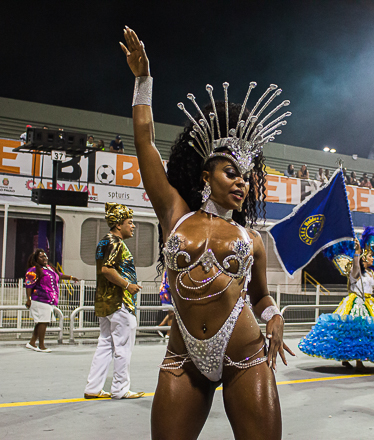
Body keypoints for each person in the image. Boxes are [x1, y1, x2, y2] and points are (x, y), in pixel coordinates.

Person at [121, 26, 293, 439]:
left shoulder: (252, 239)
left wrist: (273, 316)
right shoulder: (175, 214)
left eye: (247, 178)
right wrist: (143, 82)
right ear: (205, 175)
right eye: (231, 173)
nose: (242, 184)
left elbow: (260, 295)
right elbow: (144, 140)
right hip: (183, 359)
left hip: (245, 359)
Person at [299, 228, 374, 370]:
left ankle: (348, 359)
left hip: (369, 302)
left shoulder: (371, 274)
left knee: (364, 333)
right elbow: (355, 266)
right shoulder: (355, 273)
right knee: (355, 332)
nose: (373, 258)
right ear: (363, 259)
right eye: (370, 256)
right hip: (355, 303)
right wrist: (357, 253)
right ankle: (359, 362)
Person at [84, 203, 144, 399]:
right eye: (130, 222)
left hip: (104, 301)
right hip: (120, 302)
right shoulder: (116, 243)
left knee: (105, 344)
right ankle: (120, 389)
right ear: (119, 225)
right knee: (123, 347)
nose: (133, 226)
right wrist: (128, 285)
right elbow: (107, 270)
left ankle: (93, 388)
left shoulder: (103, 242)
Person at [24, 249, 78, 353]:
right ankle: (41, 345)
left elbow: (59, 275)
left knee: (41, 322)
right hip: (40, 299)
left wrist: (71, 277)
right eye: (41, 257)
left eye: (45, 256)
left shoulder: (50, 268)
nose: (44, 258)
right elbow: (29, 285)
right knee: (43, 322)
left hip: (49, 300)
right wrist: (29, 299)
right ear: (36, 259)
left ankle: (32, 343)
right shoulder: (33, 270)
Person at [157, 271, 174, 338]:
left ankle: (159, 327)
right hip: (166, 294)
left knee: (173, 313)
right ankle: (168, 334)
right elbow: (168, 285)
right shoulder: (169, 271)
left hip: (167, 293)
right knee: (171, 314)